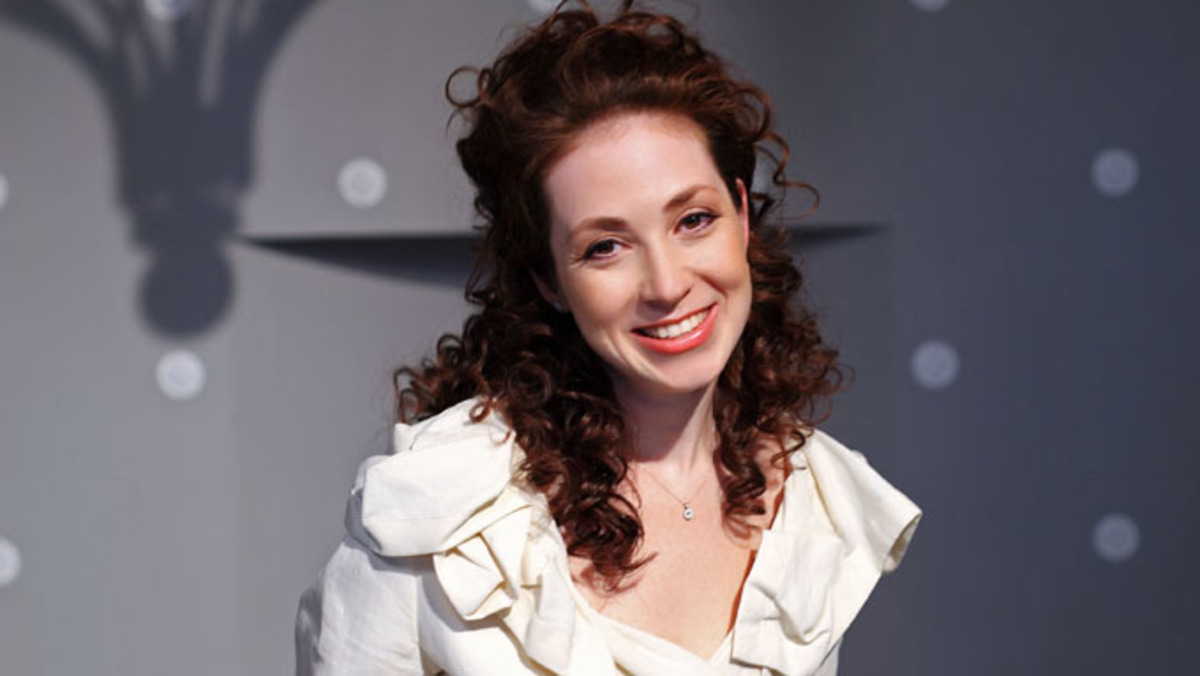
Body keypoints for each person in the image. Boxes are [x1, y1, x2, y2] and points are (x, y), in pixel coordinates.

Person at [296, 2, 921, 674]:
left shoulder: (814, 498)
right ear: (548, 279)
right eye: (606, 246)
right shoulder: (443, 513)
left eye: (693, 220)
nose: (666, 284)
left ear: (742, 217)